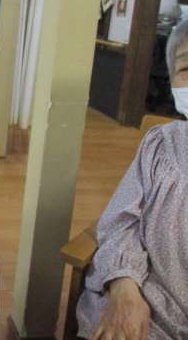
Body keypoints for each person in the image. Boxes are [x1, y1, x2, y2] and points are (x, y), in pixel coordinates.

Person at [76, 18, 188, 340]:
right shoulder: (160, 145)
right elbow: (120, 221)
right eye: (185, 68)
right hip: (136, 306)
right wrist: (124, 288)